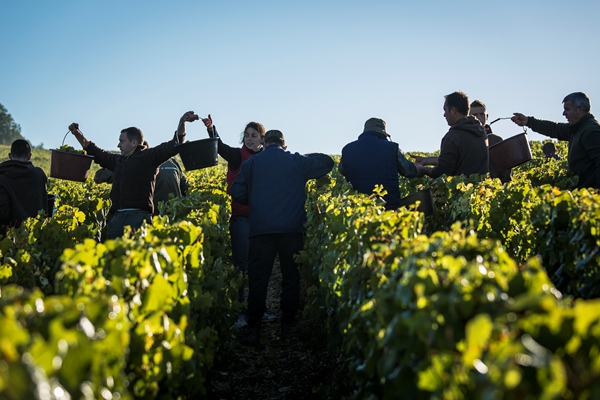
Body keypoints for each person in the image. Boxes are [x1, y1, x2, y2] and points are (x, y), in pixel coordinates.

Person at [230, 130, 334, 345]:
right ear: (284, 145)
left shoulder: (252, 164)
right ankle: (287, 326)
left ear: (265, 143)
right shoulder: (296, 160)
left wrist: (258, 199)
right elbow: (327, 162)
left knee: (258, 280)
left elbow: (237, 192)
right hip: (292, 229)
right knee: (291, 278)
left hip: (261, 229)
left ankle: (254, 329)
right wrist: (305, 156)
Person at [68, 111, 199, 239]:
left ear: (134, 143)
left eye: (122, 141)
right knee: (112, 258)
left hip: (139, 219)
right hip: (117, 219)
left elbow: (175, 144)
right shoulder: (117, 161)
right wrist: (77, 134)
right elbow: (94, 150)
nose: (118, 145)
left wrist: (182, 122)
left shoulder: (149, 157)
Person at [202, 114, 275, 328]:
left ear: (263, 140)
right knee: (241, 266)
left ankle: (259, 310)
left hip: (261, 220)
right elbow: (220, 146)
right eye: (247, 135)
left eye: (254, 136)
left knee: (259, 267)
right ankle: (241, 312)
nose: (249, 139)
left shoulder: (267, 158)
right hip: (241, 219)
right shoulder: (237, 155)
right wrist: (211, 128)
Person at [512, 92, 600, 188]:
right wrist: (528, 121)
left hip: (591, 196)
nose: (563, 113)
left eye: (567, 109)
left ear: (580, 109)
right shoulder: (576, 129)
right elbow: (553, 128)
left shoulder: (591, 132)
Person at [339, 117, 417, 209]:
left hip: (357, 209)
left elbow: (342, 170)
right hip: (388, 207)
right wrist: (419, 167)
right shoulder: (391, 148)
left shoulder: (347, 149)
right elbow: (409, 171)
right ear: (384, 133)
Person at [414, 91, 489, 178]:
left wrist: (423, 170)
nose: (444, 115)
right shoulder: (481, 133)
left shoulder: (452, 137)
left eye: (445, 110)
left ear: (453, 110)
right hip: (481, 189)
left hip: (462, 190)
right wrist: (426, 160)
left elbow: (443, 172)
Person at [94, 156, 189, 208]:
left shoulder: (139, 162)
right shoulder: (172, 162)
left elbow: (101, 176)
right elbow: (185, 187)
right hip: (175, 212)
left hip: (152, 214)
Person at [0, 139, 48, 231]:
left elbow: (3, 214)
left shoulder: (2, 180)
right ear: (29, 156)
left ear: (10, 156)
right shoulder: (39, 174)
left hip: (13, 238)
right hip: (38, 235)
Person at [469, 100, 512, 183]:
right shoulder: (463, 139)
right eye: (474, 115)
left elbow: (506, 170)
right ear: (468, 117)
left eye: (481, 114)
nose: (478, 118)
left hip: (493, 190)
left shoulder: (496, 141)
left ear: (487, 116)